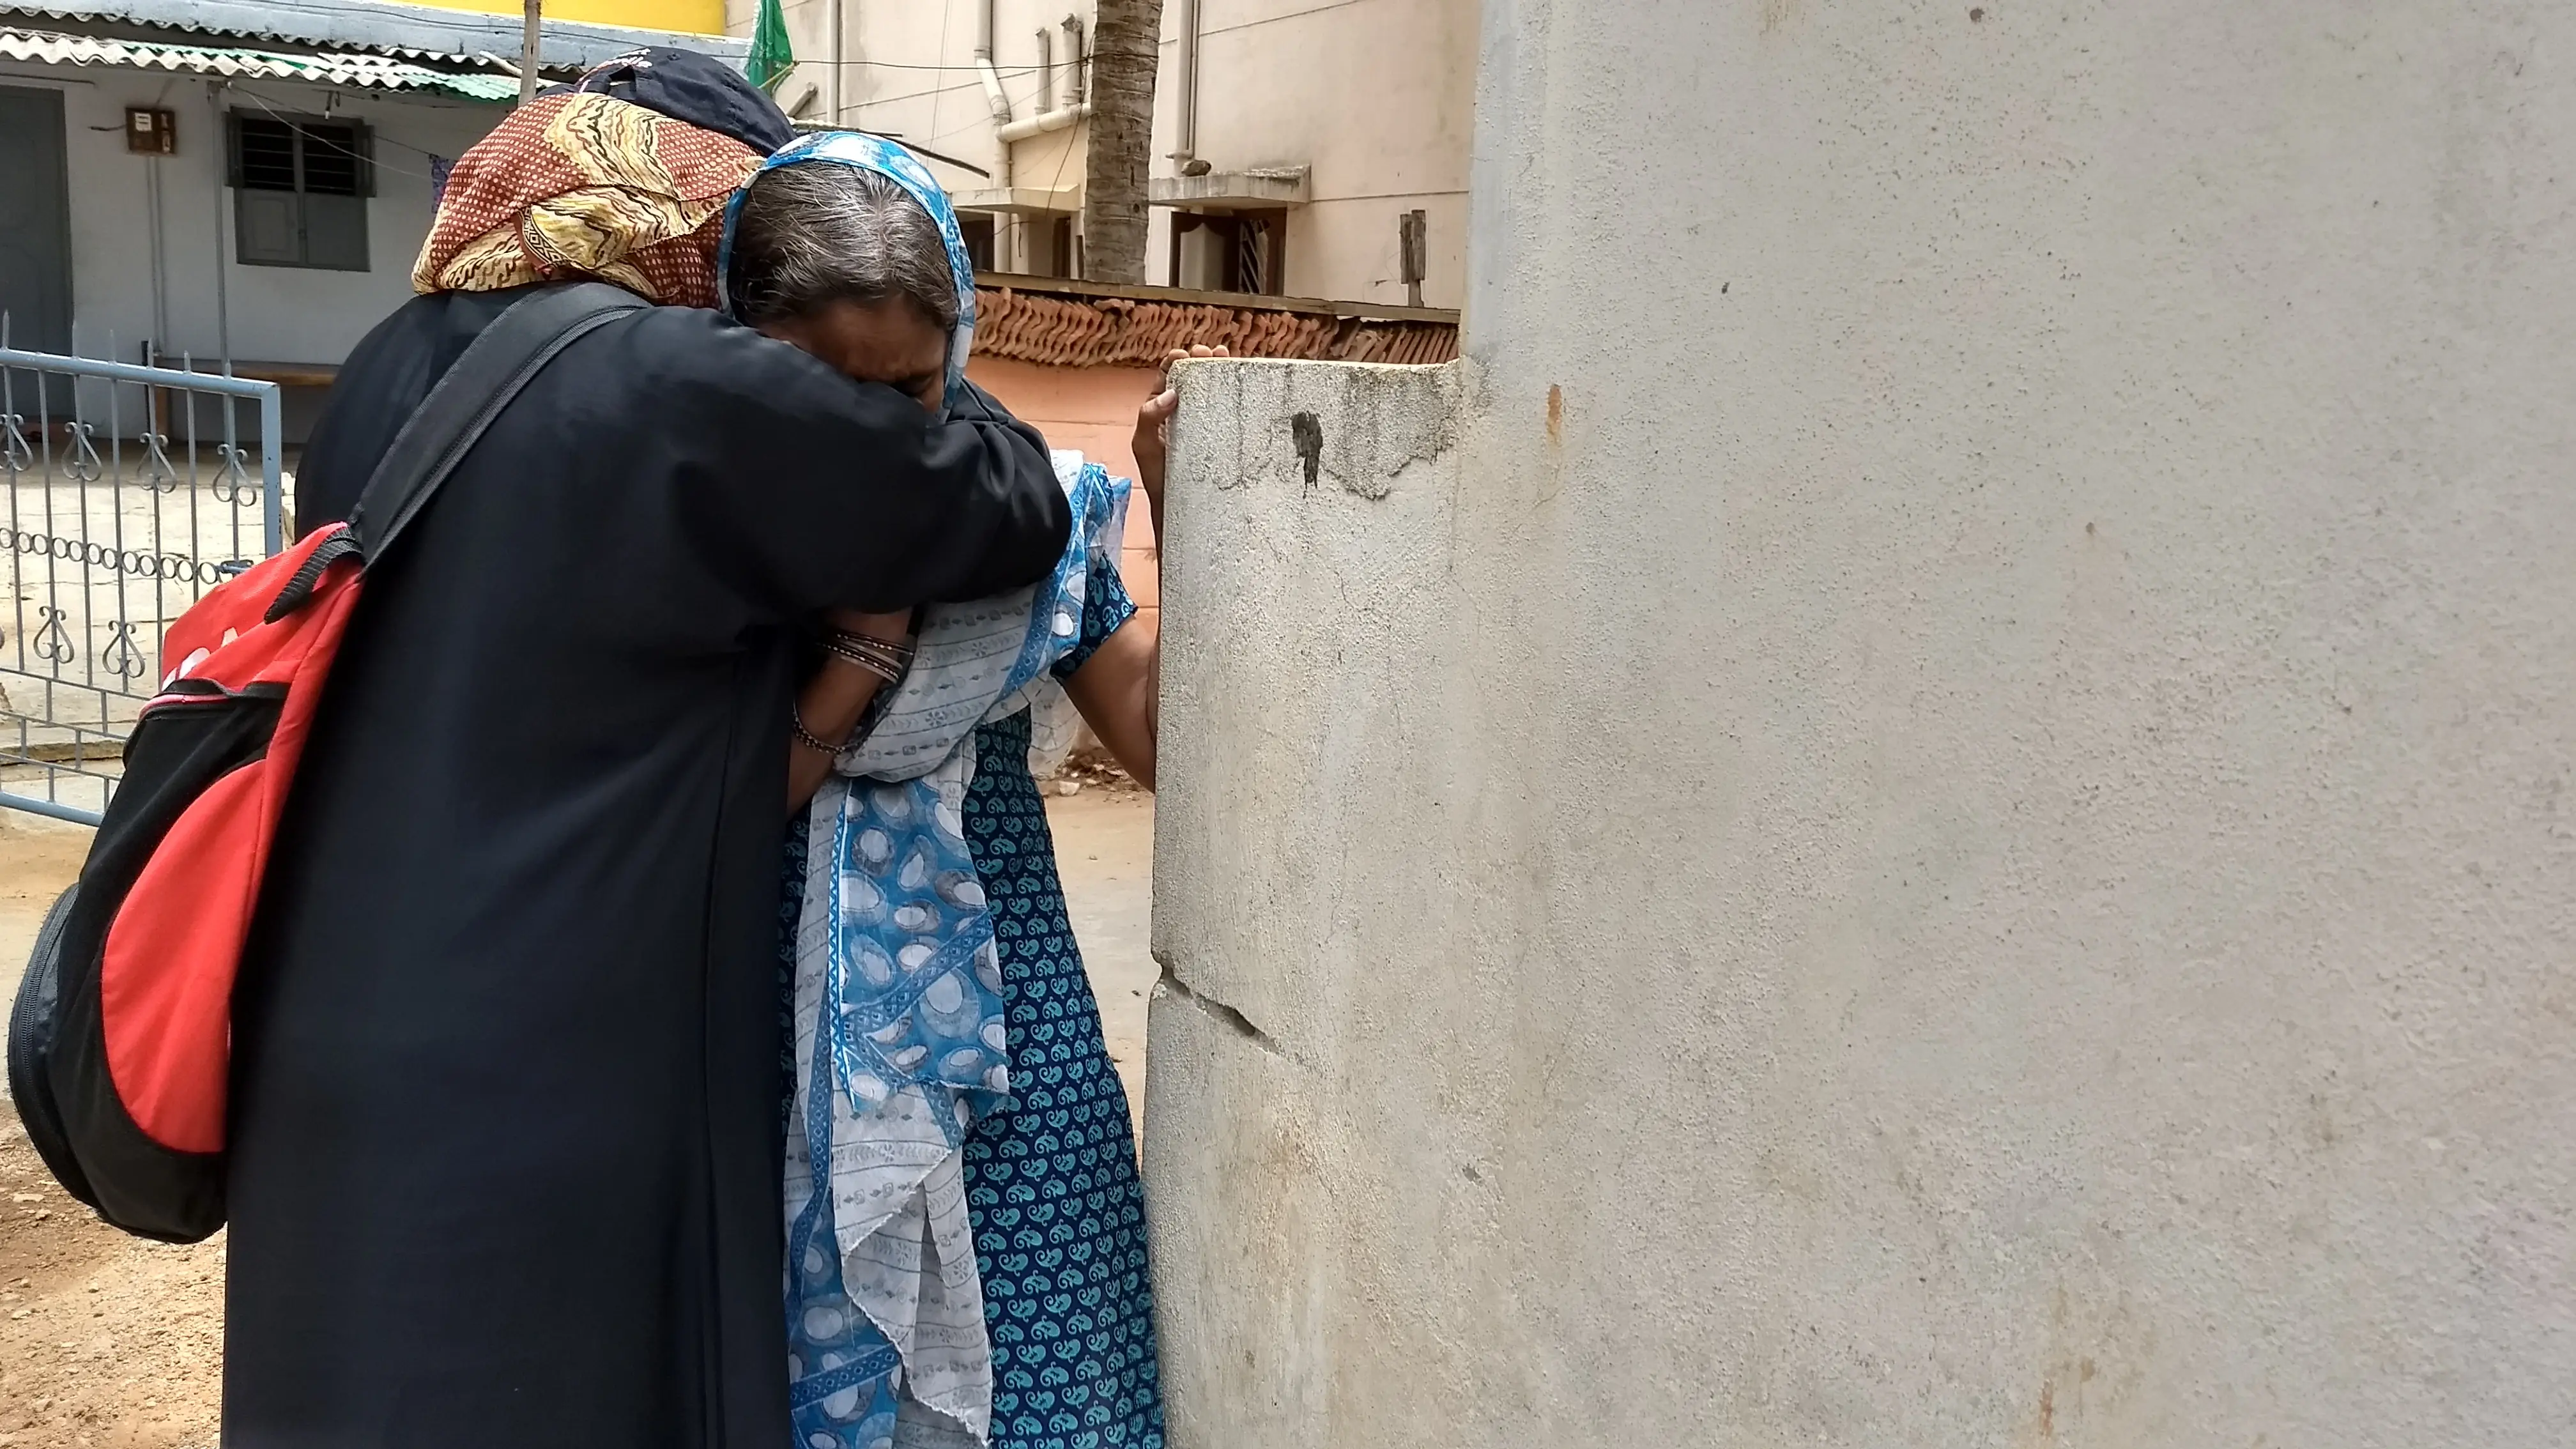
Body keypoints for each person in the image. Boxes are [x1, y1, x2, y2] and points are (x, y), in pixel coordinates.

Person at [221, 62, 1073, 1449]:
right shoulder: (676, 381)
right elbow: (995, 500)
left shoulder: (392, 365)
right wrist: (928, 388)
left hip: (334, 1014)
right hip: (557, 1037)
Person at [725, 133, 1213, 1449]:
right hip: (759, 1027)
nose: (873, 435)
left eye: (913, 390)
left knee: (1057, 1360)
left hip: (1007, 1033)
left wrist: (1183, 521)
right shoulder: (699, 532)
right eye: (821, 390)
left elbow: (1165, 744)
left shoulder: (1037, 524)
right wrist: (860, 651)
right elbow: (692, 831)